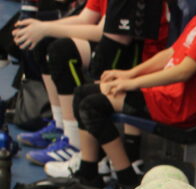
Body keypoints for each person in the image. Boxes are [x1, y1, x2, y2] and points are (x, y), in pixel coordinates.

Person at [64, 0, 196, 189]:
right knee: (82, 93)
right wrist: (129, 74)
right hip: (165, 94)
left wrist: (133, 83)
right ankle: (88, 172)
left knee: (91, 106)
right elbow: (171, 53)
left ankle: (127, 179)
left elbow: (184, 71)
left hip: (177, 106)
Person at [13, 0, 168, 170]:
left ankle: (84, 148)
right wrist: (41, 29)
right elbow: (87, 19)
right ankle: (62, 128)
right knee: (47, 43)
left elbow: (108, 33)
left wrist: (45, 28)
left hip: (143, 58)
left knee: (83, 82)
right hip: (124, 49)